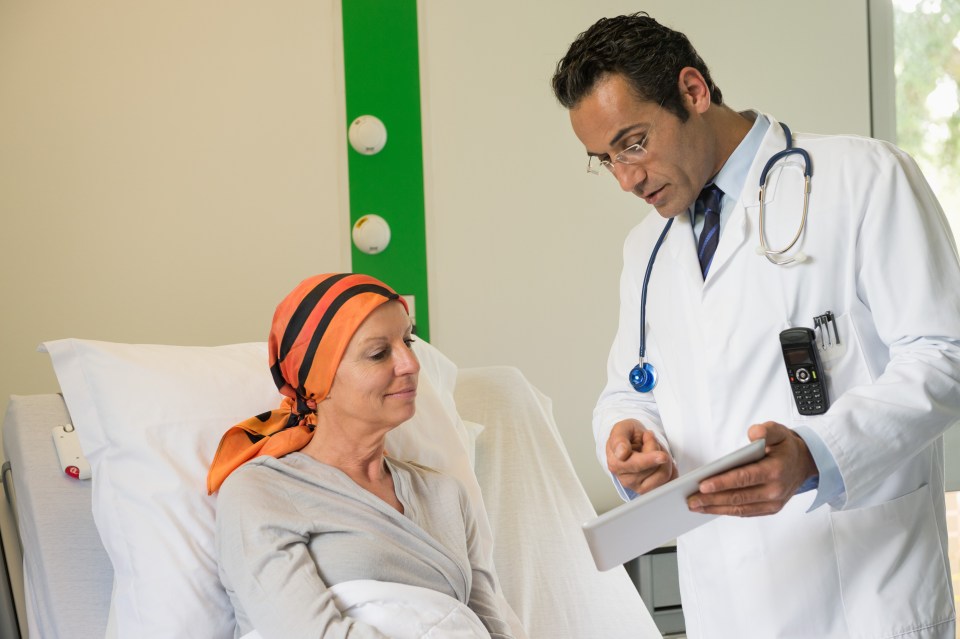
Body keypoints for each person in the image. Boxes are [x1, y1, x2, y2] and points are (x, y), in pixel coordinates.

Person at [552, 12, 960, 639]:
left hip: (864, 597)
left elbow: (945, 353)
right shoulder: (647, 248)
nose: (626, 178)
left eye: (634, 143)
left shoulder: (864, 178)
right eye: (604, 159)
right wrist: (628, 437)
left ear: (693, 91)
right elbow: (631, 387)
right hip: (725, 600)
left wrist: (816, 455)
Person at [207, 273, 514, 639]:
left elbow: (492, 628)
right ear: (319, 379)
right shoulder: (260, 492)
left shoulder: (445, 494)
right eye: (379, 353)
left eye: (408, 341)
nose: (410, 364)